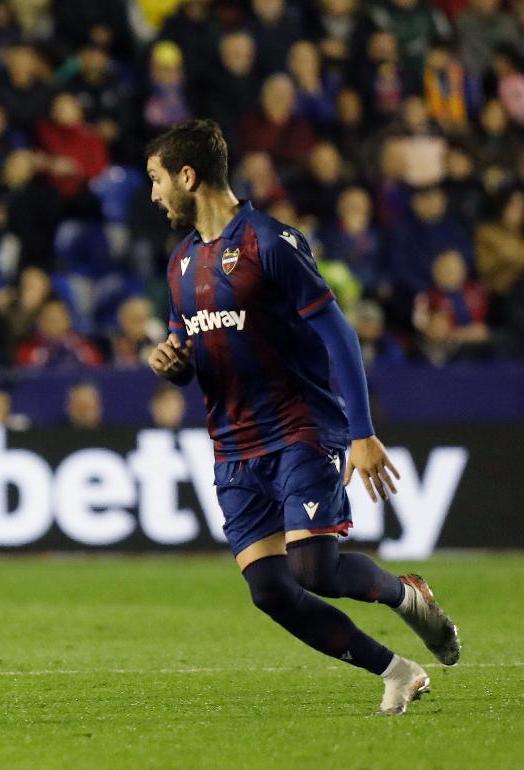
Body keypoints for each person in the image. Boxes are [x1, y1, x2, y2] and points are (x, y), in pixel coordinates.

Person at [143, 119, 459, 717]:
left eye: (157, 180)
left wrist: (362, 432)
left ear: (188, 176)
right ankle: (397, 671)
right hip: (234, 447)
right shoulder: (181, 264)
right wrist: (171, 364)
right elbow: (192, 352)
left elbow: (338, 334)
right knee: (270, 591)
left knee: (312, 567)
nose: (154, 195)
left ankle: (403, 593)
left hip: (301, 430)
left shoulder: (270, 242)